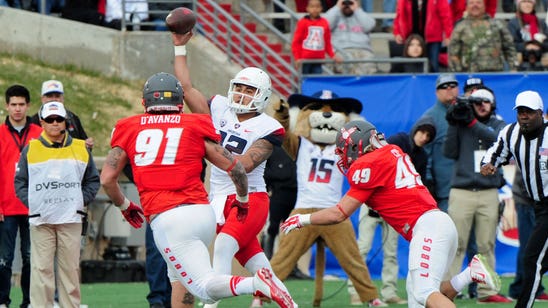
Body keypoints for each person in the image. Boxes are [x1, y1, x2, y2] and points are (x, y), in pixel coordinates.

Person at [99, 72, 295, 308]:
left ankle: (255, 285)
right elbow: (236, 168)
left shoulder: (127, 126)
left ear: (144, 102)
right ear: (181, 104)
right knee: (180, 280)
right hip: (203, 212)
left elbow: (108, 178)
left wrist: (124, 205)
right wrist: (242, 198)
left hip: (167, 216)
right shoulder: (196, 124)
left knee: (204, 288)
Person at [281, 119, 502, 308]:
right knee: (422, 296)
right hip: (438, 225)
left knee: (424, 293)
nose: (343, 157)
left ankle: (469, 273)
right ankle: (468, 274)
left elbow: (339, 213)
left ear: (357, 146)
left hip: (427, 228)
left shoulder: (367, 165)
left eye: (344, 150)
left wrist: (303, 218)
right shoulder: (393, 151)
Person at [171, 32, 296, 308]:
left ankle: (210, 304)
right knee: (257, 262)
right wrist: (180, 47)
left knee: (225, 244)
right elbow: (185, 87)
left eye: (249, 90)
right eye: (239, 87)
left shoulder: (269, 127)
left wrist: (208, 148)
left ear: (261, 96)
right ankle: (289, 302)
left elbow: (246, 163)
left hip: (249, 198)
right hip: (218, 199)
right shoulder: (218, 107)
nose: (241, 93)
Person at [269, 91, 385, 307]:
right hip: (303, 209)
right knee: (282, 258)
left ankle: (371, 297)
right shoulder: (301, 143)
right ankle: (261, 296)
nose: (327, 115)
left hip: (334, 212)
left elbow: (368, 143)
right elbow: (282, 133)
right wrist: (283, 115)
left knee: (353, 259)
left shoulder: (345, 147)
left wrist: (358, 122)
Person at [13, 101, 99, 307]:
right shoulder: (30, 150)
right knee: (41, 270)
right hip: (41, 220)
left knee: (70, 270)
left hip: (71, 218)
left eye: (58, 119)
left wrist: (80, 200)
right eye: (50, 119)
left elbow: (93, 180)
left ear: (65, 122)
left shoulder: (81, 148)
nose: (54, 123)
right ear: (41, 122)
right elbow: (20, 182)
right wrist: (33, 202)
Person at [348, 116, 436, 305]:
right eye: (423, 132)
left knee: (391, 252)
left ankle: (389, 291)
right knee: (362, 247)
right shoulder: (398, 141)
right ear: (416, 129)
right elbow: (374, 164)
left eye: (429, 136)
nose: (424, 137)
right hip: (372, 200)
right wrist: (373, 201)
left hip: (395, 209)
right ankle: (356, 290)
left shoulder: (422, 156)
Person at [443, 89, 512, 304]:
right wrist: (455, 123)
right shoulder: (460, 122)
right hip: (462, 191)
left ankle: (487, 291)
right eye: (476, 102)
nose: (482, 105)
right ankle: (447, 290)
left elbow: (498, 142)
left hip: (488, 191)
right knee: (456, 244)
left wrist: (471, 124)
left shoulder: (499, 124)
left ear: (493, 104)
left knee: (486, 244)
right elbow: (449, 151)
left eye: (486, 102)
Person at [480, 90, 548, 308]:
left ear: (540, 113)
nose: (524, 116)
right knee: (536, 260)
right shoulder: (511, 133)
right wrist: (488, 163)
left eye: (529, 112)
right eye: (520, 111)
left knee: (533, 260)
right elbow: (496, 151)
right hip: (539, 206)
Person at [0, 85, 42, 308]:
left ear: (28, 106)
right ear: (7, 106)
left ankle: (29, 302)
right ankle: (2, 301)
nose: (17, 109)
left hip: (33, 207)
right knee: (3, 259)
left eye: (21, 104)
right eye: (13, 104)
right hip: (6, 208)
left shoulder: (39, 133)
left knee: (30, 259)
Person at [420, 73, 459, 213]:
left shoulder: (469, 113)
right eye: (443, 86)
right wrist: (430, 184)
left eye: (452, 85)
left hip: (471, 189)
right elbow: (424, 155)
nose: (449, 88)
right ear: (437, 92)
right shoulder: (430, 118)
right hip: (444, 193)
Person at [508, 168, 548, 301]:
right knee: (529, 247)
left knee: (534, 248)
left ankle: (528, 287)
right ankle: (522, 288)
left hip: (538, 203)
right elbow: (528, 174)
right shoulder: (531, 148)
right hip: (530, 202)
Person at [448, 0, 518, 72]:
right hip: (469, 75)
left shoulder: (497, 25)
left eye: (478, 2)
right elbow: (453, 53)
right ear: (467, 6)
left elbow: (510, 48)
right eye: (471, 3)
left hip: (495, 74)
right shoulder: (460, 27)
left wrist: (513, 68)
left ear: (484, 5)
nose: (475, 5)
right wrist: (457, 73)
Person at [393, 0, 453, 72]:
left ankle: (434, 82)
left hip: (433, 37)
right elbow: (399, 14)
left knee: (433, 64)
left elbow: (445, 15)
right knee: (409, 64)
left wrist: (448, 35)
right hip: (411, 36)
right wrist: (397, 32)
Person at [31, 80, 94, 149]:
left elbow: (83, 143)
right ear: (42, 99)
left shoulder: (72, 118)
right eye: (50, 96)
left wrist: (88, 144)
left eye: (57, 96)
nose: (54, 99)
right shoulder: (33, 121)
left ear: (62, 98)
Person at [262, 146, 297, 260]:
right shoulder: (272, 147)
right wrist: (266, 189)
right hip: (277, 193)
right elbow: (264, 171)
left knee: (292, 229)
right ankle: (266, 263)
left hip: (296, 194)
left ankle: (291, 266)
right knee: (272, 227)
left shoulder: (298, 146)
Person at [324, 0, 377, 75]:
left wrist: (357, 9)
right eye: (344, 3)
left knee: (368, 63)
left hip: (363, 49)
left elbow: (369, 26)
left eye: (350, 3)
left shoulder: (360, 14)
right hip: (341, 50)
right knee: (348, 64)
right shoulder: (335, 14)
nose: (347, 5)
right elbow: (325, 25)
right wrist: (337, 7)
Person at [291, 0, 342, 75]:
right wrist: (297, 57)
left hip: (318, 60)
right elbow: (296, 42)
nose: (315, 9)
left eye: (317, 7)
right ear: (307, 8)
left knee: (316, 79)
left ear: (321, 8)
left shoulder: (324, 22)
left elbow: (327, 42)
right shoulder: (303, 22)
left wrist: (332, 55)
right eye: (312, 6)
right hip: (305, 59)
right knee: (304, 80)